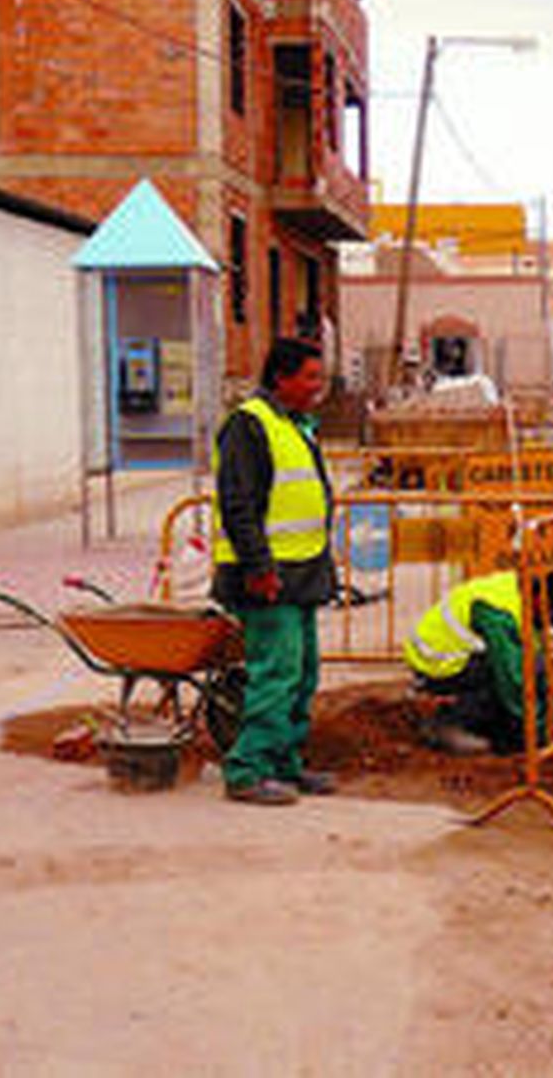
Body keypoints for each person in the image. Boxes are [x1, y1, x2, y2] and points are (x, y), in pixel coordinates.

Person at [211, 337, 339, 805]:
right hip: (267, 577)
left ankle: (285, 764)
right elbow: (238, 504)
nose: (318, 387)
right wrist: (259, 568)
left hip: (301, 572)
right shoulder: (249, 425)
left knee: (302, 674)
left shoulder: (295, 424)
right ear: (281, 378)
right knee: (276, 674)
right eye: (310, 377)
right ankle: (247, 769)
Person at [404, 570, 553, 756]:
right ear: (542, 600)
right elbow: (511, 679)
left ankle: (493, 724)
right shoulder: (498, 612)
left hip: (462, 659)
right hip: (436, 664)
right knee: (502, 680)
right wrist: (541, 734)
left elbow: (537, 669)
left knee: (523, 670)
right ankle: (447, 723)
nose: (552, 626)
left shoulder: (523, 598)